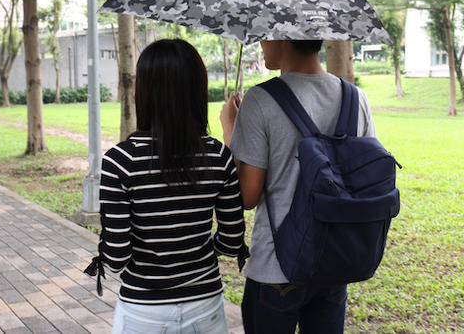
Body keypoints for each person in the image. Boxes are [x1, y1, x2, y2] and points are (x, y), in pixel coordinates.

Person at [86, 38, 246, 334]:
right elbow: (232, 241)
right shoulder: (219, 156)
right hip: (206, 305)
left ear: (144, 91)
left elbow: (117, 255)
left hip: (143, 310)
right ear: (197, 90)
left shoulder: (120, 161)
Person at [220, 40, 376, 334]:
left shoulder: (260, 99)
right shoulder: (356, 98)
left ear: (281, 36)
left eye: (265, 34)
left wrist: (231, 130)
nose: (261, 42)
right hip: (334, 262)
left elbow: (247, 197)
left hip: (275, 269)